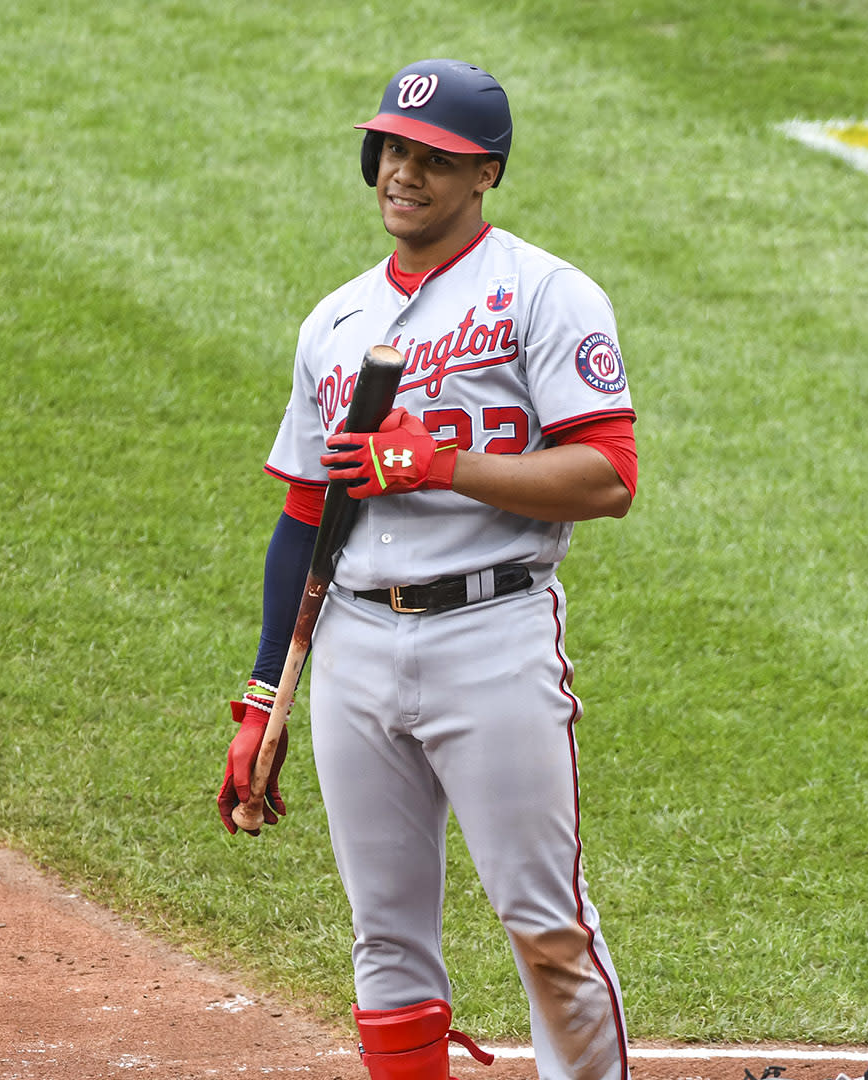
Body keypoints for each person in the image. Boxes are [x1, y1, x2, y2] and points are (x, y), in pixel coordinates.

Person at [216, 59, 637, 1080]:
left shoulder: (544, 293)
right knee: (384, 933)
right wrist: (265, 697)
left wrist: (445, 465)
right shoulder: (335, 323)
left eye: (434, 158)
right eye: (394, 150)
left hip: (490, 634)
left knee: (545, 925)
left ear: (483, 172)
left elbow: (609, 476)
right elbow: (304, 516)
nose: (404, 173)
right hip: (357, 643)